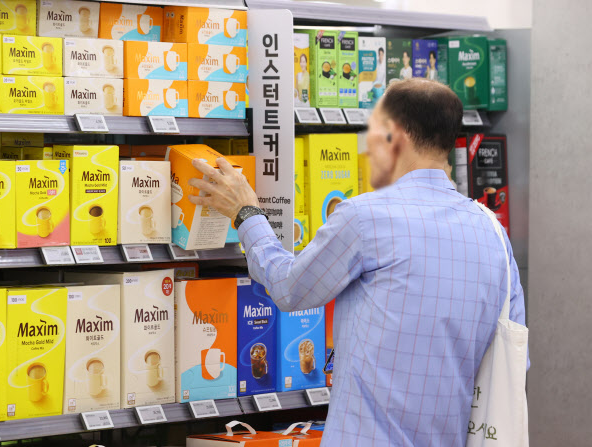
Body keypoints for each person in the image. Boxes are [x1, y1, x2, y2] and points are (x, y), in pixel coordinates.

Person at [188, 78, 528, 447]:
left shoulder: (366, 218)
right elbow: (515, 360)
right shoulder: (493, 234)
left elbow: (288, 289)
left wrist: (245, 211)